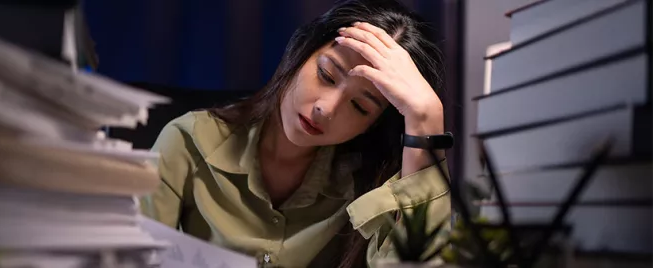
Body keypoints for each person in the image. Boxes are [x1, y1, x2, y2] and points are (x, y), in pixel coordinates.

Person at [140, 0, 451, 267]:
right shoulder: (187, 140)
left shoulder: (371, 181)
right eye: (326, 75)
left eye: (360, 107)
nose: (326, 109)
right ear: (300, 52)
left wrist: (426, 120)